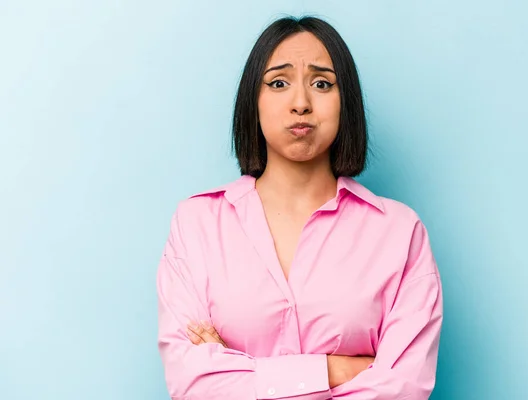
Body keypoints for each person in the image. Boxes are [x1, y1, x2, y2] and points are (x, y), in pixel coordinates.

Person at [156, 15, 443, 400]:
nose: (301, 103)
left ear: (347, 103)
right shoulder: (197, 224)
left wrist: (245, 372)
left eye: (322, 83)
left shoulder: (399, 231)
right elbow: (195, 386)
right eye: (278, 83)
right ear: (252, 102)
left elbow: (402, 388)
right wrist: (336, 369)